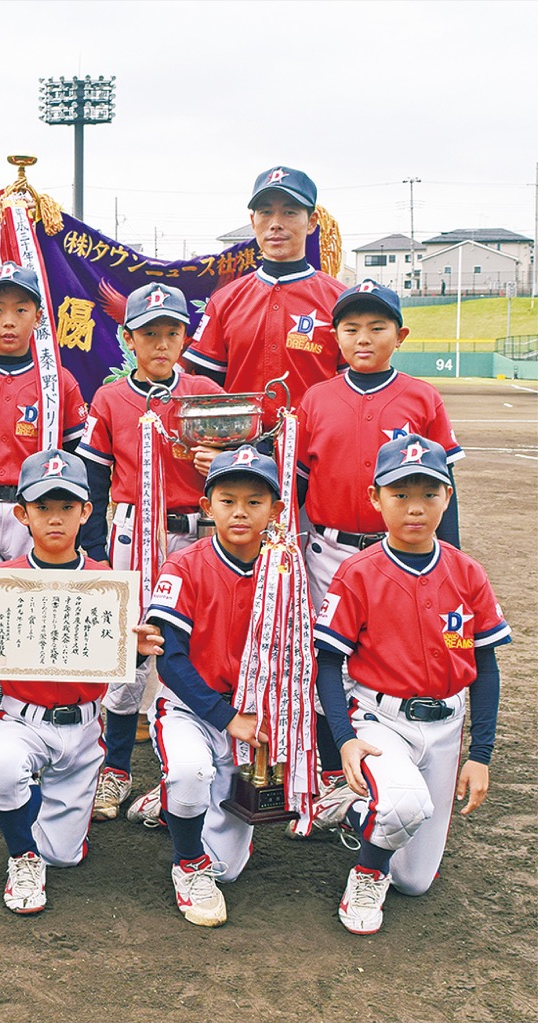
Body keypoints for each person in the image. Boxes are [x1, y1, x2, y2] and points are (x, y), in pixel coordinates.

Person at [314, 435, 509, 935]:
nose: (415, 507)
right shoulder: (357, 573)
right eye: (400, 494)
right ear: (375, 499)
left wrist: (480, 753)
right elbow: (328, 663)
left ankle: (361, 810)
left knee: (416, 881)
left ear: (448, 497)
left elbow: (485, 668)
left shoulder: (468, 573)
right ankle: (366, 872)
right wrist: (345, 740)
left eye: (429, 493)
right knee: (404, 806)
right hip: (380, 718)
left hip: (447, 722)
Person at [291, 281, 464, 837]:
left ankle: (385, 757)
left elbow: (444, 486)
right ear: (334, 336)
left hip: (402, 553)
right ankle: (328, 776)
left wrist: (450, 560)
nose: (363, 338)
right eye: (350, 328)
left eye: (377, 327)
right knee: (325, 656)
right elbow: (297, 483)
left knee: (385, 652)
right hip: (327, 549)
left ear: (400, 335)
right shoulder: (315, 398)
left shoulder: (422, 397)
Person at [78, 283, 224, 822]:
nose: (161, 343)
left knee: (192, 647)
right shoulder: (111, 397)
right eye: (149, 333)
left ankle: (177, 773)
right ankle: (114, 770)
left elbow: (244, 467)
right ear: (128, 338)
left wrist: (223, 461)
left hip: (196, 532)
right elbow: (93, 479)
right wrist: (91, 550)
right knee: (127, 652)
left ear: (185, 337)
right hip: (133, 530)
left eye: (171, 332)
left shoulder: (205, 390)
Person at [0, 262, 88, 816]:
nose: (10, 320)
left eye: (21, 309)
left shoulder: (59, 380)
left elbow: (82, 455)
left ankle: (42, 751)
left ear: (38, 315)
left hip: (42, 507)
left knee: (41, 625)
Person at [0, 450, 106, 914]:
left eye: (66, 507)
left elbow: (121, 661)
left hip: (82, 726)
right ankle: (21, 855)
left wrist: (137, 648)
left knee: (65, 857)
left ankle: (34, 803)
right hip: (22, 718)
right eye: (42, 508)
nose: (54, 519)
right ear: (22, 514)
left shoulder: (107, 582)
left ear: (86, 512)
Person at [143, 446, 285, 927]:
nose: (240, 512)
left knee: (230, 868)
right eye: (227, 500)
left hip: (249, 714)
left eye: (254, 501)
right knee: (189, 775)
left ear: (277, 510)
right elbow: (172, 664)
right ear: (207, 507)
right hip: (190, 708)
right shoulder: (185, 565)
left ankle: (172, 806)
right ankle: (188, 864)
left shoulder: (284, 570)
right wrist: (228, 719)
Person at [183, 166, 345, 416]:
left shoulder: (339, 300)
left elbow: (354, 386)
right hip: (239, 449)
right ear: (252, 221)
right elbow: (207, 384)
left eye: (289, 212)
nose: (276, 224)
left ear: (312, 222)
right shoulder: (226, 299)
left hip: (314, 447)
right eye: (266, 212)